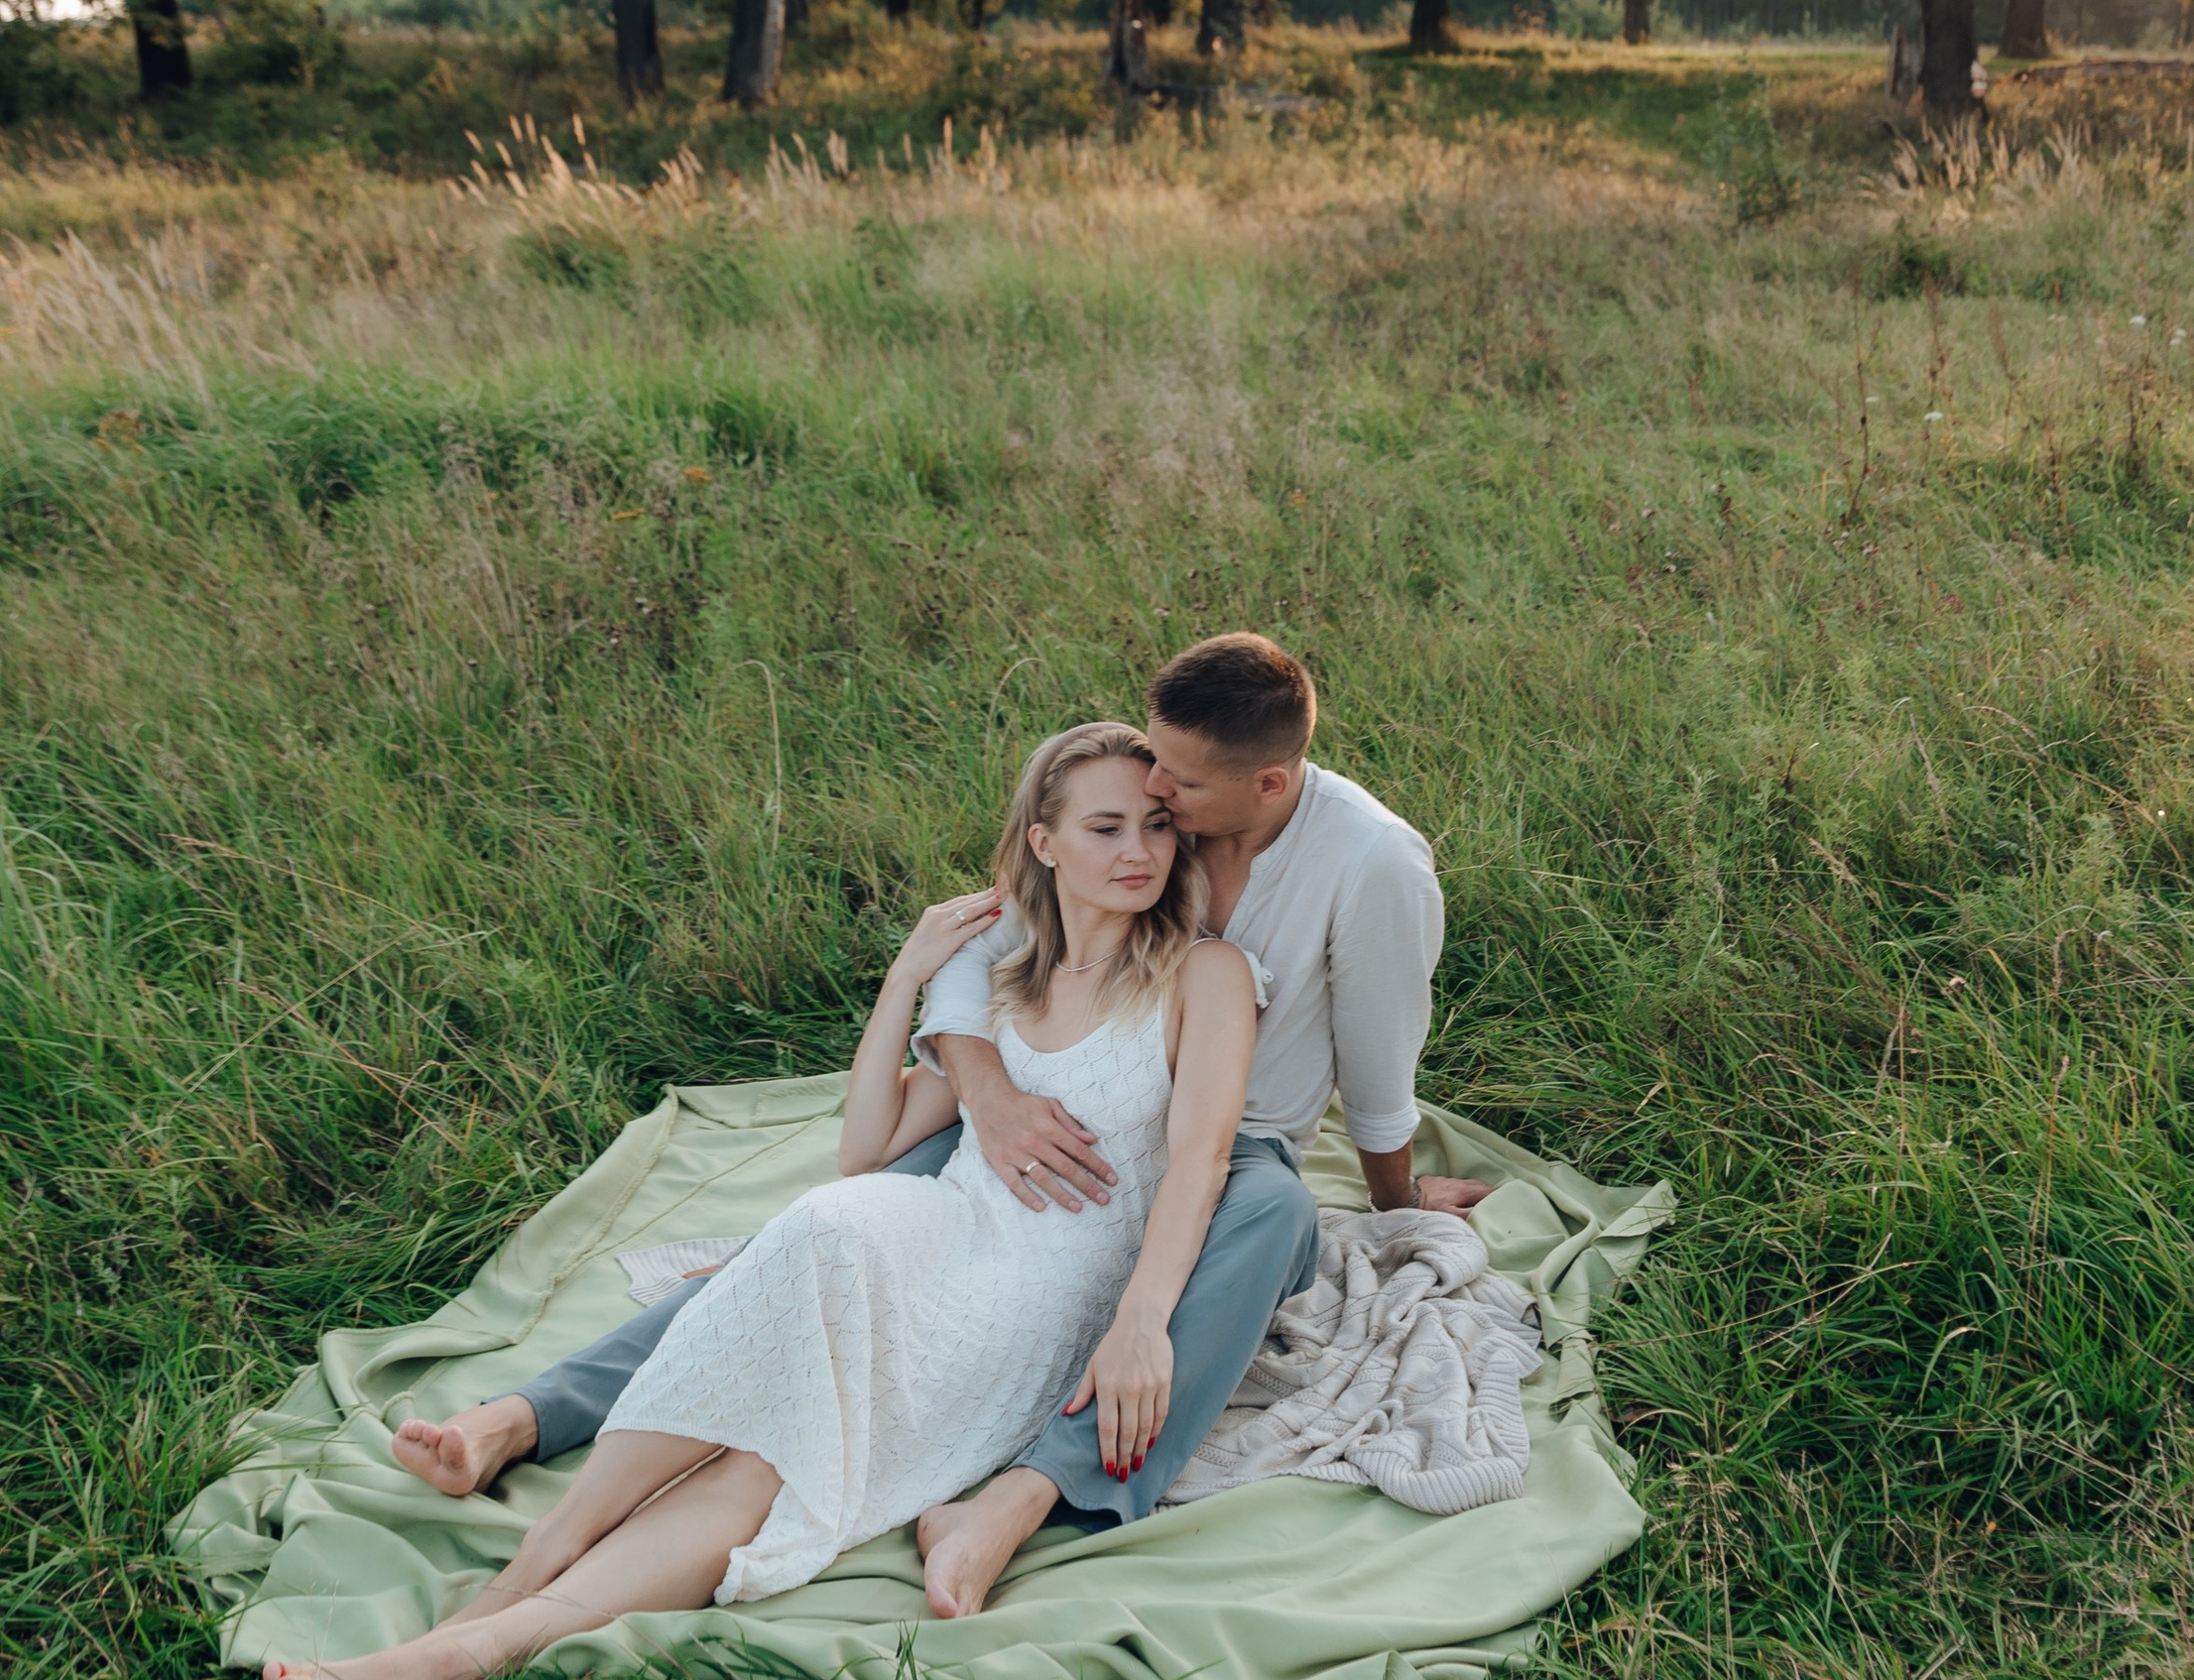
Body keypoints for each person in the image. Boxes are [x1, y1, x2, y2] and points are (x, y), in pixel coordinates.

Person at [393, 635, 1482, 1620]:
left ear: (1268, 783)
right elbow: (1006, 941)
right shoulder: (1152, 813)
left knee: (1268, 1210)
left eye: (1173, 790)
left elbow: (1381, 1070)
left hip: (1229, 1139)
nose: (1154, 796)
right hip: (1052, 1105)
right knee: (843, 1221)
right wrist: (987, 1090)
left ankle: (1033, 1488)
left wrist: (1396, 1209)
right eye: (1141, 780)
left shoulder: (1365, 864)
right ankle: (534, 1413)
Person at [264, 722, 1257, 1680]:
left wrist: (1142, 1317)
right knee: (821, 1224)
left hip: (1038, 1288)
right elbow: (865, 1146)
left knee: (769, 1460)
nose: (1138, 849)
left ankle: (467, 1652)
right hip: (933, 1228)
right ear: (1043, 842)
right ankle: (519, 1575)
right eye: (1105, 825)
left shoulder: (1204, 973)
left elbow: (1201, 1159)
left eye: (1154, 824)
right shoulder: (1006, 986)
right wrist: (906, 975)